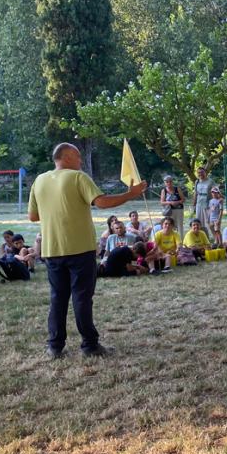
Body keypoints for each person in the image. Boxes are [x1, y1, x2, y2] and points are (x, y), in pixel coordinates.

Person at [28, 142, 147, 359]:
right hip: (79, 248)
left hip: (52, 249)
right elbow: (101, 203)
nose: (81, 161)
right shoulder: (78, 177)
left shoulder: (40, 180)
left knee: (58, 298)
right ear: (67, 157)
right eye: (78, 157)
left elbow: (33, 216)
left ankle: (55, 346)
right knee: (82, 298)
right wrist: (131, 194)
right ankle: (89, 345)